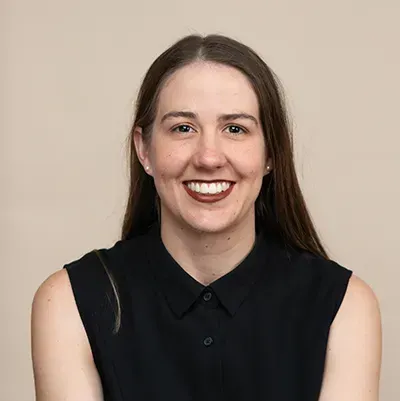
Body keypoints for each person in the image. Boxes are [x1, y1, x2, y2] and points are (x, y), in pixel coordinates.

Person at [31, 34, 382, 401]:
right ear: (144, 149)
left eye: (236, 129)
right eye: (183, 128)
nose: (209, 157)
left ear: (270, 153)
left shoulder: (345, 306)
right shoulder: (69, 301)